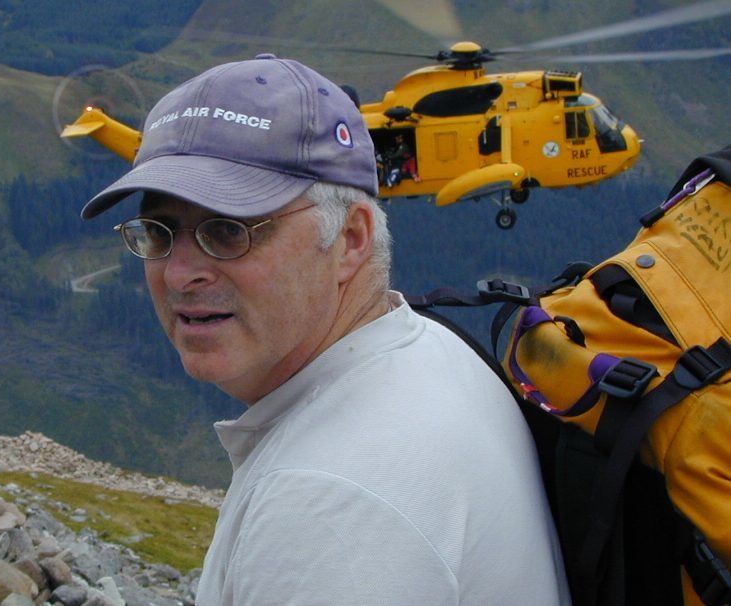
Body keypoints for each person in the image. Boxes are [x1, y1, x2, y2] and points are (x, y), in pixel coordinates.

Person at [80, 54, 569, 605]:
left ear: (351, 240)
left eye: (229, 230)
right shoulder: (426, 352)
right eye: (159, 230)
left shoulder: (327, 503)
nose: (179, 273)